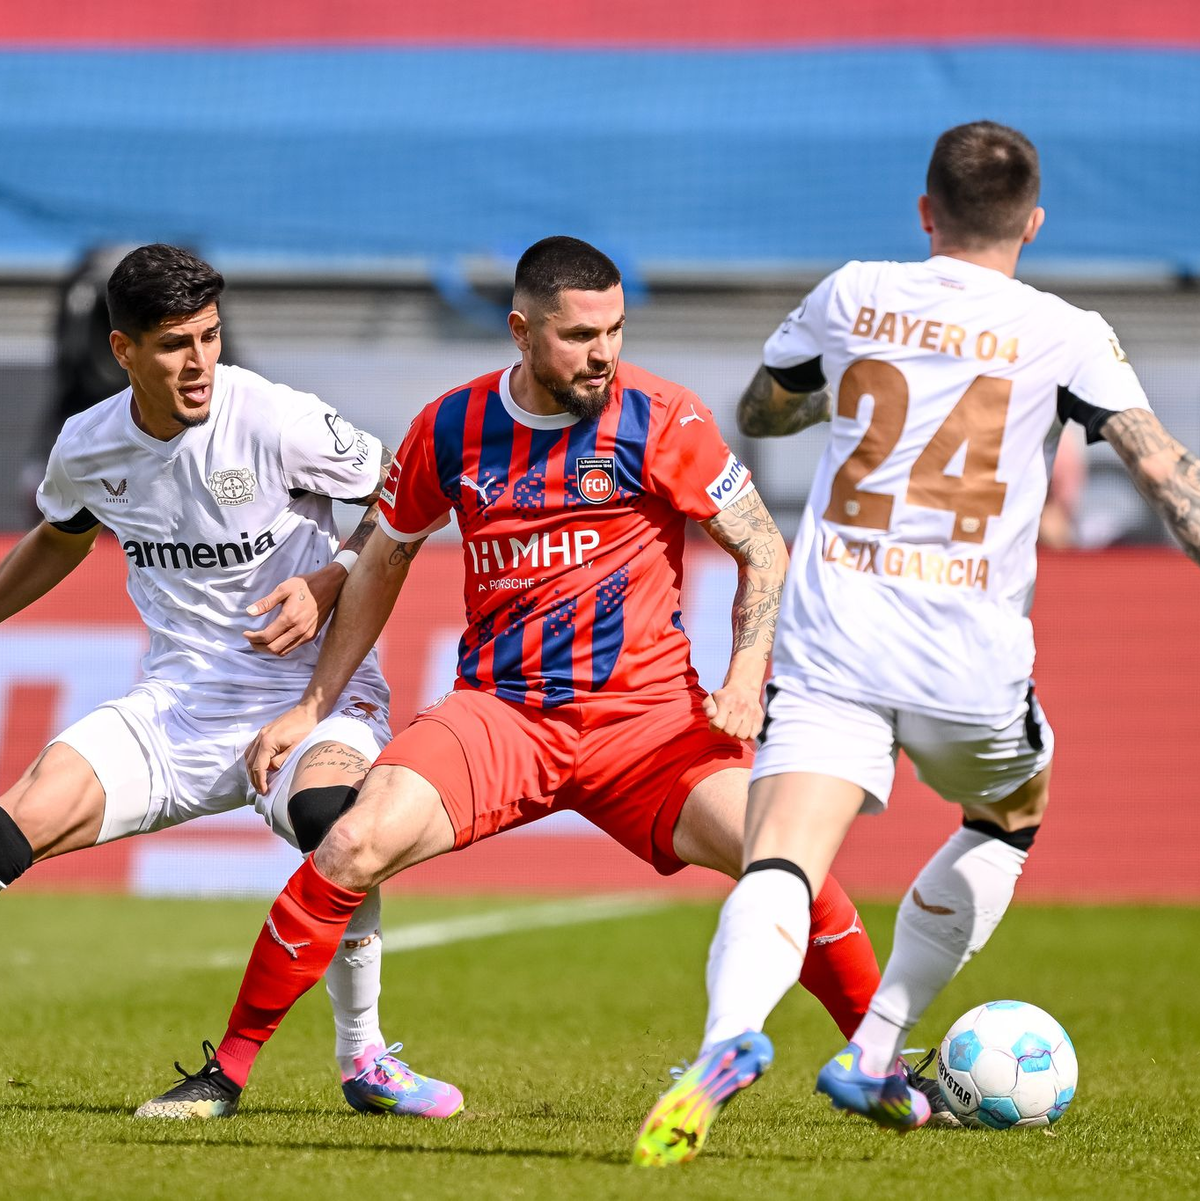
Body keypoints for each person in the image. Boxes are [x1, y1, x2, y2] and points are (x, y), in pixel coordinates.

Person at [139, 235, 891, 1117]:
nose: (603, 352)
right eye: (578, 335)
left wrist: (745, 673)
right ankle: (225, 1072)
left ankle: (880, 1060)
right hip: (502, 716)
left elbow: (765, 547)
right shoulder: (450, 427)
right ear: (521, 331)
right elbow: (382, 563)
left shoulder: (662, 416)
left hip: (647, 725)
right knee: (349, 844)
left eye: (614, 329)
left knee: (785, 854)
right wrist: (312, 705)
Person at [633, 120, 1200, 1166]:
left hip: (836, 632)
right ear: (1033, 223)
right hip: (965, 653)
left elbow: (763, 408)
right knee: (1012, 809)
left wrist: (836, 397)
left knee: (783, 859)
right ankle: (877, 1046)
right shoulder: (1066, 331)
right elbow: (1166, 474)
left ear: (924, 210)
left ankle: (722, 1042)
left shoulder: (851, 293)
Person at [0, 243, 461, 1120]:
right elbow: (61, 535)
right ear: (123, 349)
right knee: (9, 827)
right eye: (176, 344)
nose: (201, 362)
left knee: (338, 822)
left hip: (312, 694)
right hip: (178, 705)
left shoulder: (273, 417)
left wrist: (329, 580)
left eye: (210, 337)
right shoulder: (89, 445)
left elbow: (405, 496)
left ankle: (365, 1057)